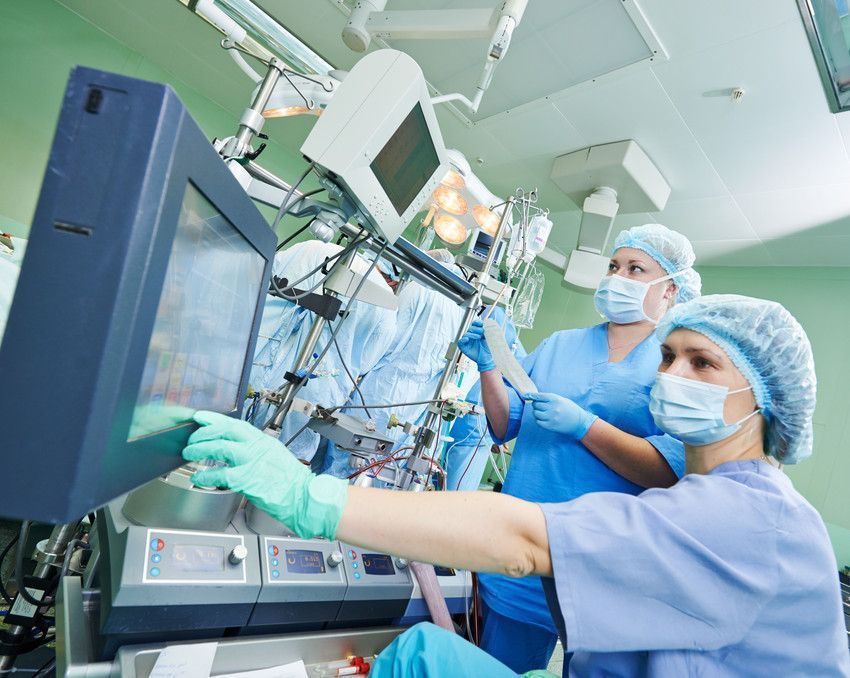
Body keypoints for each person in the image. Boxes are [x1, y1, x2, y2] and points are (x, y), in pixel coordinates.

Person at [182, 294, 850, 676]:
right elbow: (502, 430)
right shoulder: (714, 502)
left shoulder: (753, 517)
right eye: (669, 357)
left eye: (703, 363)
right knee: (423, 651)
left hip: (524, 548)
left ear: (763, 398)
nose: (672, 376)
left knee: (420, 656)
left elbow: (523, 536)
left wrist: (310, 498)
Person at [453, 224, 703, 671]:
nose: (616, 276)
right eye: (613, 266)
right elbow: (503, 422)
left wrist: (585, 427)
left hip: (599, 560)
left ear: (670, 291)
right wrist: (489, 367)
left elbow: (669, 468)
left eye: (635, 268)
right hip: (522, 539)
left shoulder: (673, 363)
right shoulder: (561, 345)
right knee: (493, 662)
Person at [321, 249, 465, 480]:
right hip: (420, 400)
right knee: (386, 472)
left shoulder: (417, 287)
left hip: (381, 389)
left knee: (346, 466)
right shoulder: (459, 303)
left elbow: (385, 341)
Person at [248, 239, 396, 462]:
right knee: (284, 469)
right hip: (314, 394)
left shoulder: (310, 247)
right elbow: (365, 362)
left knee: (221, 449)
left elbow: (257, 285)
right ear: (393, 280)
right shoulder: (386, 302)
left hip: (255, 367)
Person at [445, 306, 526, 491]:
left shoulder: (501, 328)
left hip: (476, 430)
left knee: (456, 496)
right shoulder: (467, 328)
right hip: (449, 419)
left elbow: (519, 384)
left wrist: (503, 425)